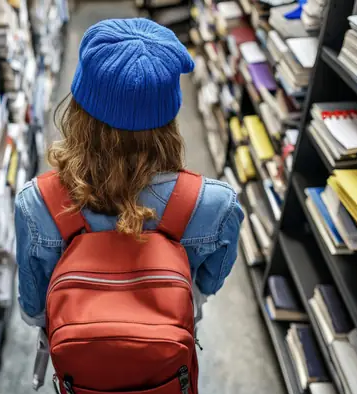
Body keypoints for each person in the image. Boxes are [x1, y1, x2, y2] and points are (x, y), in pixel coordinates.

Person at [15, 18, 244, 329]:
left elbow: (34, 312)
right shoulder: (217, 204)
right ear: (170, 115)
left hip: (81, 365)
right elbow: (205, 288)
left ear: (79, 109)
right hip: (166, 359)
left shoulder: (37, 204)